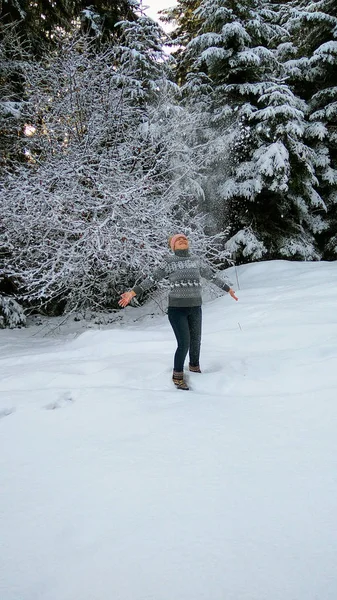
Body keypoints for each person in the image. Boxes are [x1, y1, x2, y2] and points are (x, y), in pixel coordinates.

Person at [119, 234, 238, 391]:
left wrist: (227, 289)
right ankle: (177, 376)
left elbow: (211, 276)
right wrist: (132, 293)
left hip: (195, 307)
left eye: (185, 239)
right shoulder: (169, 262)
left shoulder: (196, 260)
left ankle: (195, 369)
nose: (183, 240)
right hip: (177, 310)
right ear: (173, 246)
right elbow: (152, 279)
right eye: (178, 240)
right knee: (184, 343)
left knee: (196, 341)